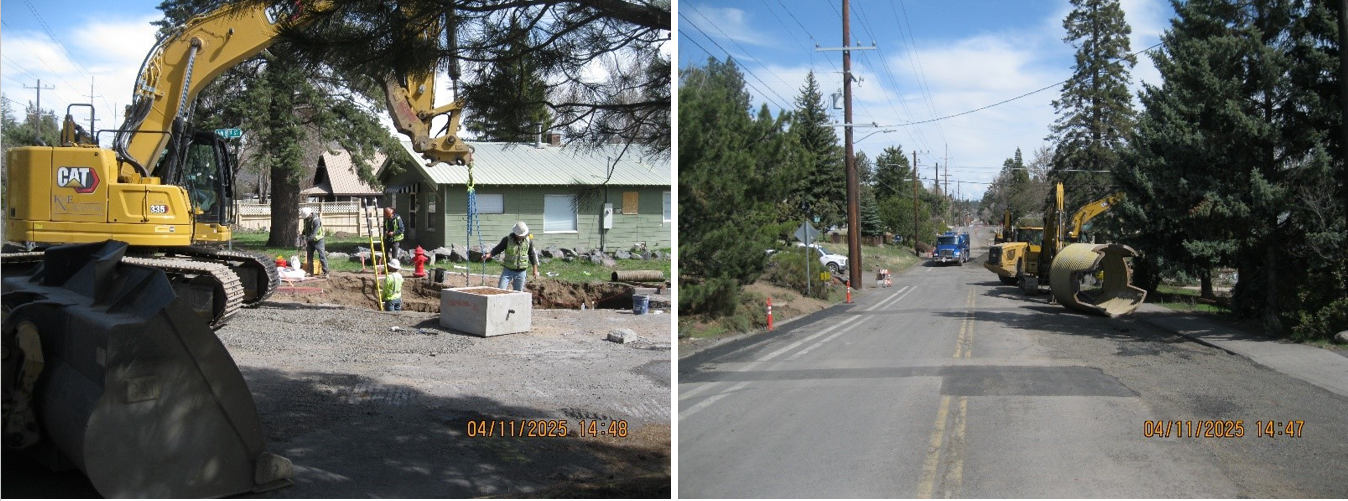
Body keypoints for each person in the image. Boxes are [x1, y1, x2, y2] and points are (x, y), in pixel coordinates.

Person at [483, 221, 539, 291]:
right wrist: (489, 255)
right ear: (516, 233)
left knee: (518, 292)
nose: (522, 236)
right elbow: (498, 249)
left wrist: (535, 270)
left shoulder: (528, 241)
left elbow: (532, 254)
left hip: (521, 272)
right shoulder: (507, 240)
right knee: (500, 289)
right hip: (508, 270)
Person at [300, 207, 329, 277]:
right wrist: (303, 234)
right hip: (310, 240)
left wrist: (306, 240)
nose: (306, 218)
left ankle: (326, 272)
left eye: (306, 217)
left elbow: (313, 234)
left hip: (318, 240)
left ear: (310, 214)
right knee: (309, 256)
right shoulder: (306, 219)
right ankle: (310, 272)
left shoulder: (316, 220)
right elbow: (305, 228)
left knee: (322, 255)